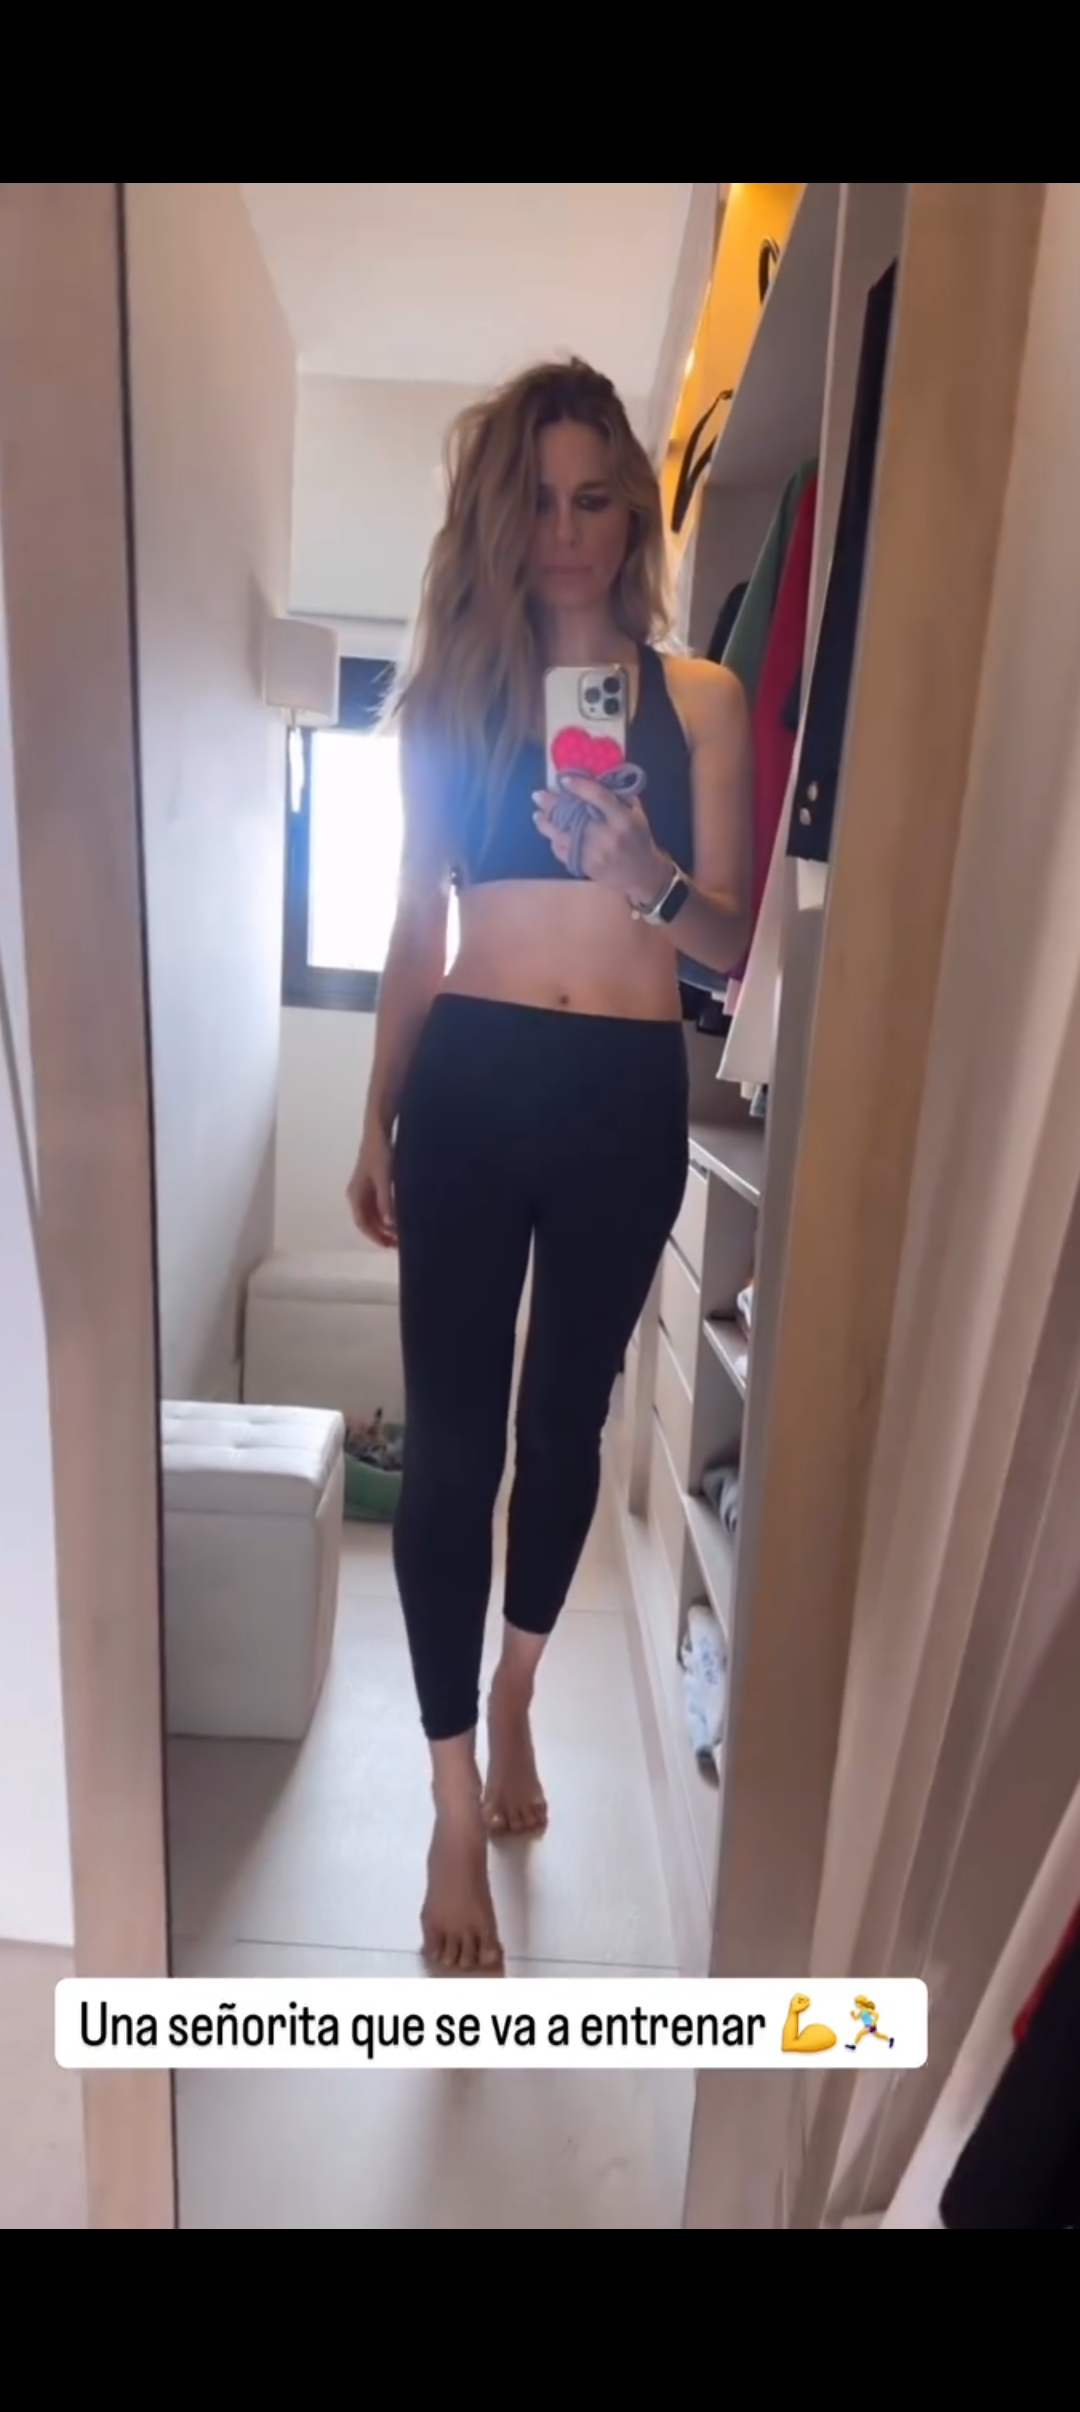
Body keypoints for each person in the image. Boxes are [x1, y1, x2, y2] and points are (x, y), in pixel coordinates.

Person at [347, 358, 751, 1972]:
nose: (568, 531)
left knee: (563, 1421)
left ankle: (518, 1689)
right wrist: (374, 1114)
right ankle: (453, 1794)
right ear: (499, 515)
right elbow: (414, 928)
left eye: (595, 500)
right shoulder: (452, 699)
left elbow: (732, 949)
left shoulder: (699, 702)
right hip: (470, 1083)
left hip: (620, 1100)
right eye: (539, 499)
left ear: (633, 515)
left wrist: (648, 876)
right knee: (449, 1450)